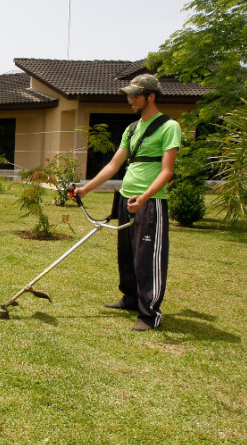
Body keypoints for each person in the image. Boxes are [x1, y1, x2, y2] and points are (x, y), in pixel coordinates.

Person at [74, 74, 182, 331]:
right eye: (129, 95)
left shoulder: (169, 127)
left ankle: (150, 313)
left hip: (150, 201)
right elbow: (113, 165)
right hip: (126, 197)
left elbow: (167, 171)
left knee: (147, 257)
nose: (130, 100)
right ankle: (131, 299)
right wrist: (85, 189)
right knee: (127, 255)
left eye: (135, 95)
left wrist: (144, 198)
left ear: (151, 96)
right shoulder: (131, 129)